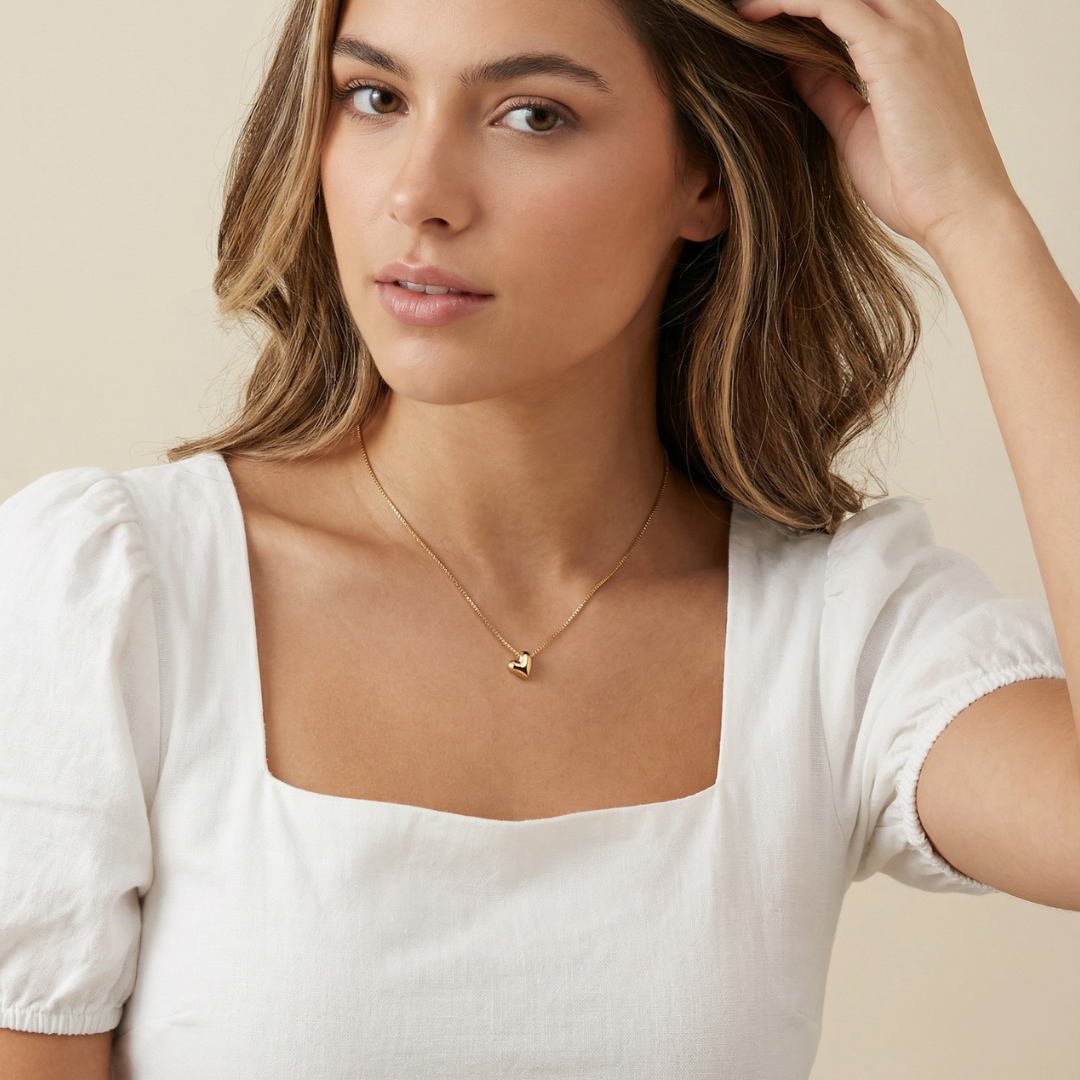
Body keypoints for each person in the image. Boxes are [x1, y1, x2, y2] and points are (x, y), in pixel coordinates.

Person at [0, 0, 1077, 1075]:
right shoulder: (116, 594)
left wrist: (973, 215)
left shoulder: (838, 631)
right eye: (374, 97)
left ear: (705, 176)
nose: (418, 196)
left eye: (533, 116)